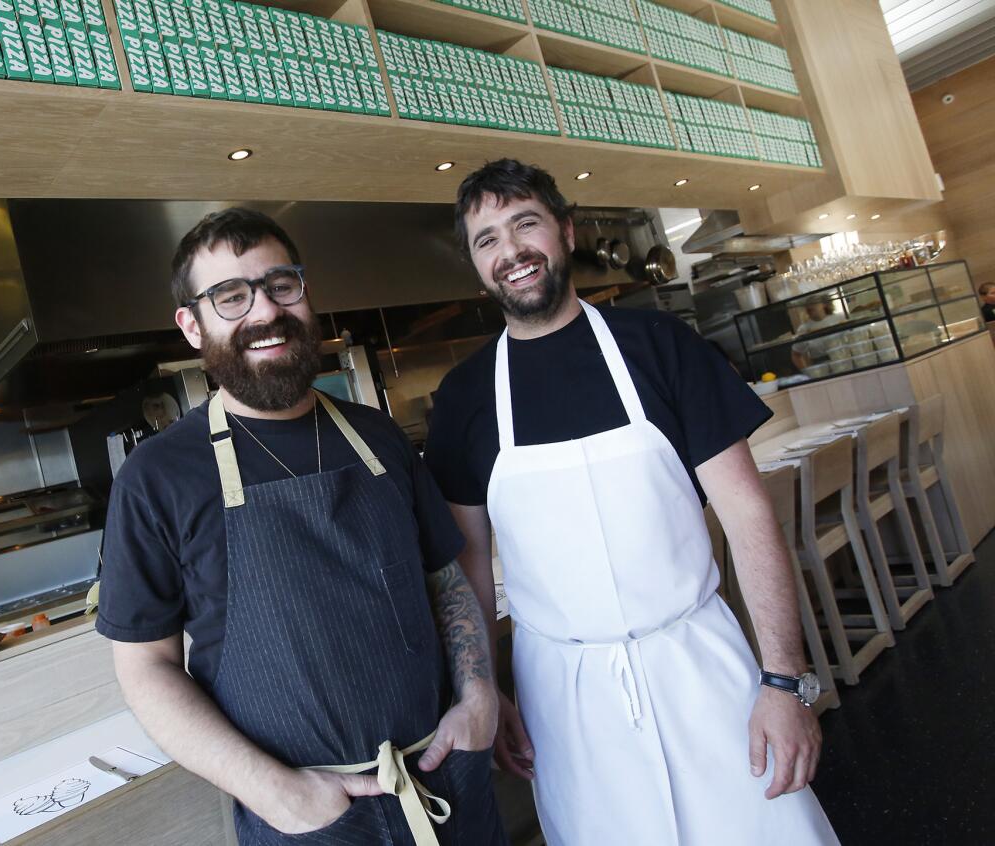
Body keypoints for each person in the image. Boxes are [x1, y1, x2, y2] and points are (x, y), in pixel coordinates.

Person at [425, 159, 839, 845]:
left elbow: (748, 516)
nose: (512, 252)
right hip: (564, 698)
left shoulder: (661, 348)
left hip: (702, 666)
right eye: (487, 240)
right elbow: (468, 566)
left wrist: (783, 681)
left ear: (564, 228)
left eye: (525, 224)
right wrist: (485, 690)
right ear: (476, 266)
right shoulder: (465, 398)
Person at [96, 208, 506, 846]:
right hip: (307, 822)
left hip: (446, 782)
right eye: (230, 297)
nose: (265, 312)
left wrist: (480, 695)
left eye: (280, 285)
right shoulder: (157, 478)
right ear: (190, 325)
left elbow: (444, 579)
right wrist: (273, 793)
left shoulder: (378, 437)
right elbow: (146, 668)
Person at [790, 293, 845, 370]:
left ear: (824, 304)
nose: (809, 306)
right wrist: (808, 373)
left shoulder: (840, 318)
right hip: (822, 369)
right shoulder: (804, 328)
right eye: (806, 304)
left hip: (844, 362)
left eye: (813, 302)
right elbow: (796, 355)